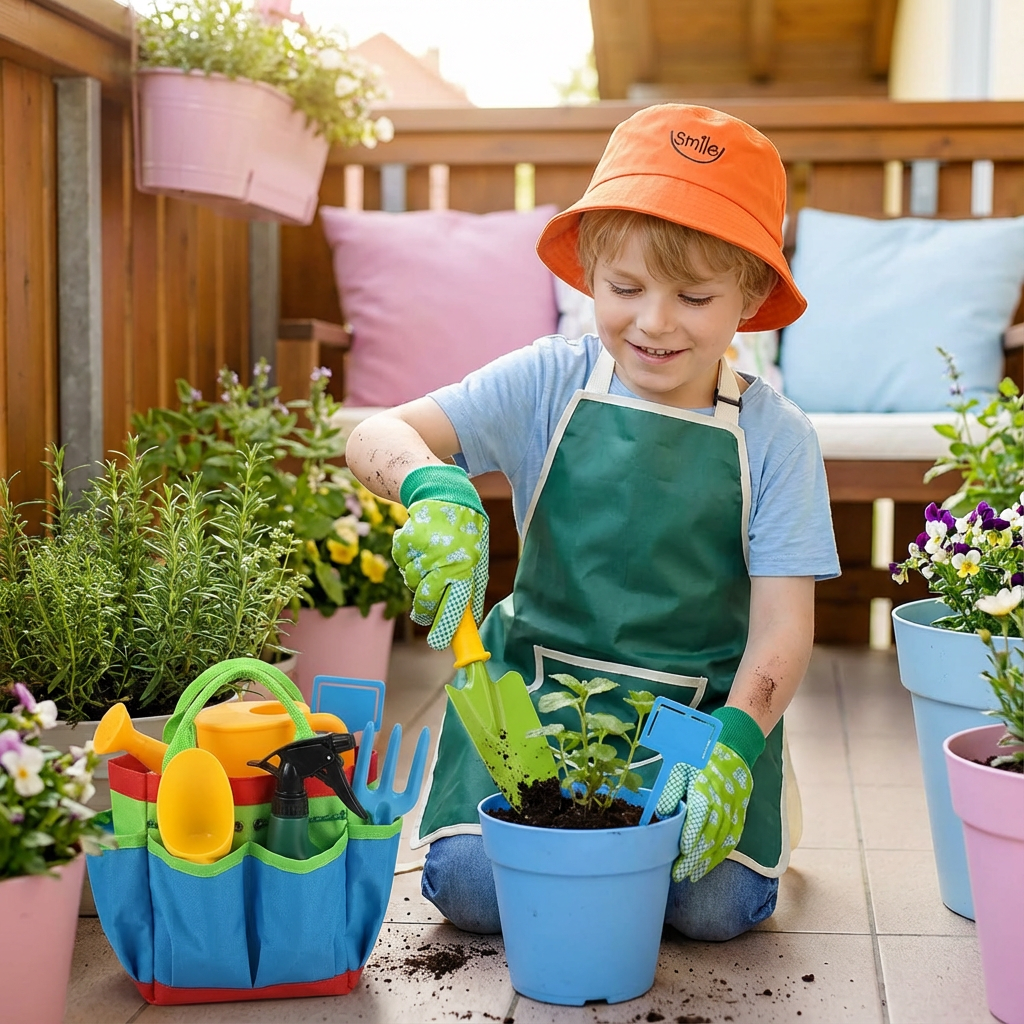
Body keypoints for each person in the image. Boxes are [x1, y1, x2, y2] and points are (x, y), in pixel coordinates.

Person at [345, 103, 840, 941]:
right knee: (469, 889)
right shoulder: (548, 383)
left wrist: (736, 741)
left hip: (696, 716)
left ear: (750, 294)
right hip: (531, 696)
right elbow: (373, 434)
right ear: (589, 272)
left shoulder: (776, 438)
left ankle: (766, 802)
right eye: (625, 288)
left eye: (693, 295)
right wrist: (434, 487)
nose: (653, 322)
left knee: (710, 904)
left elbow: (784, 631)